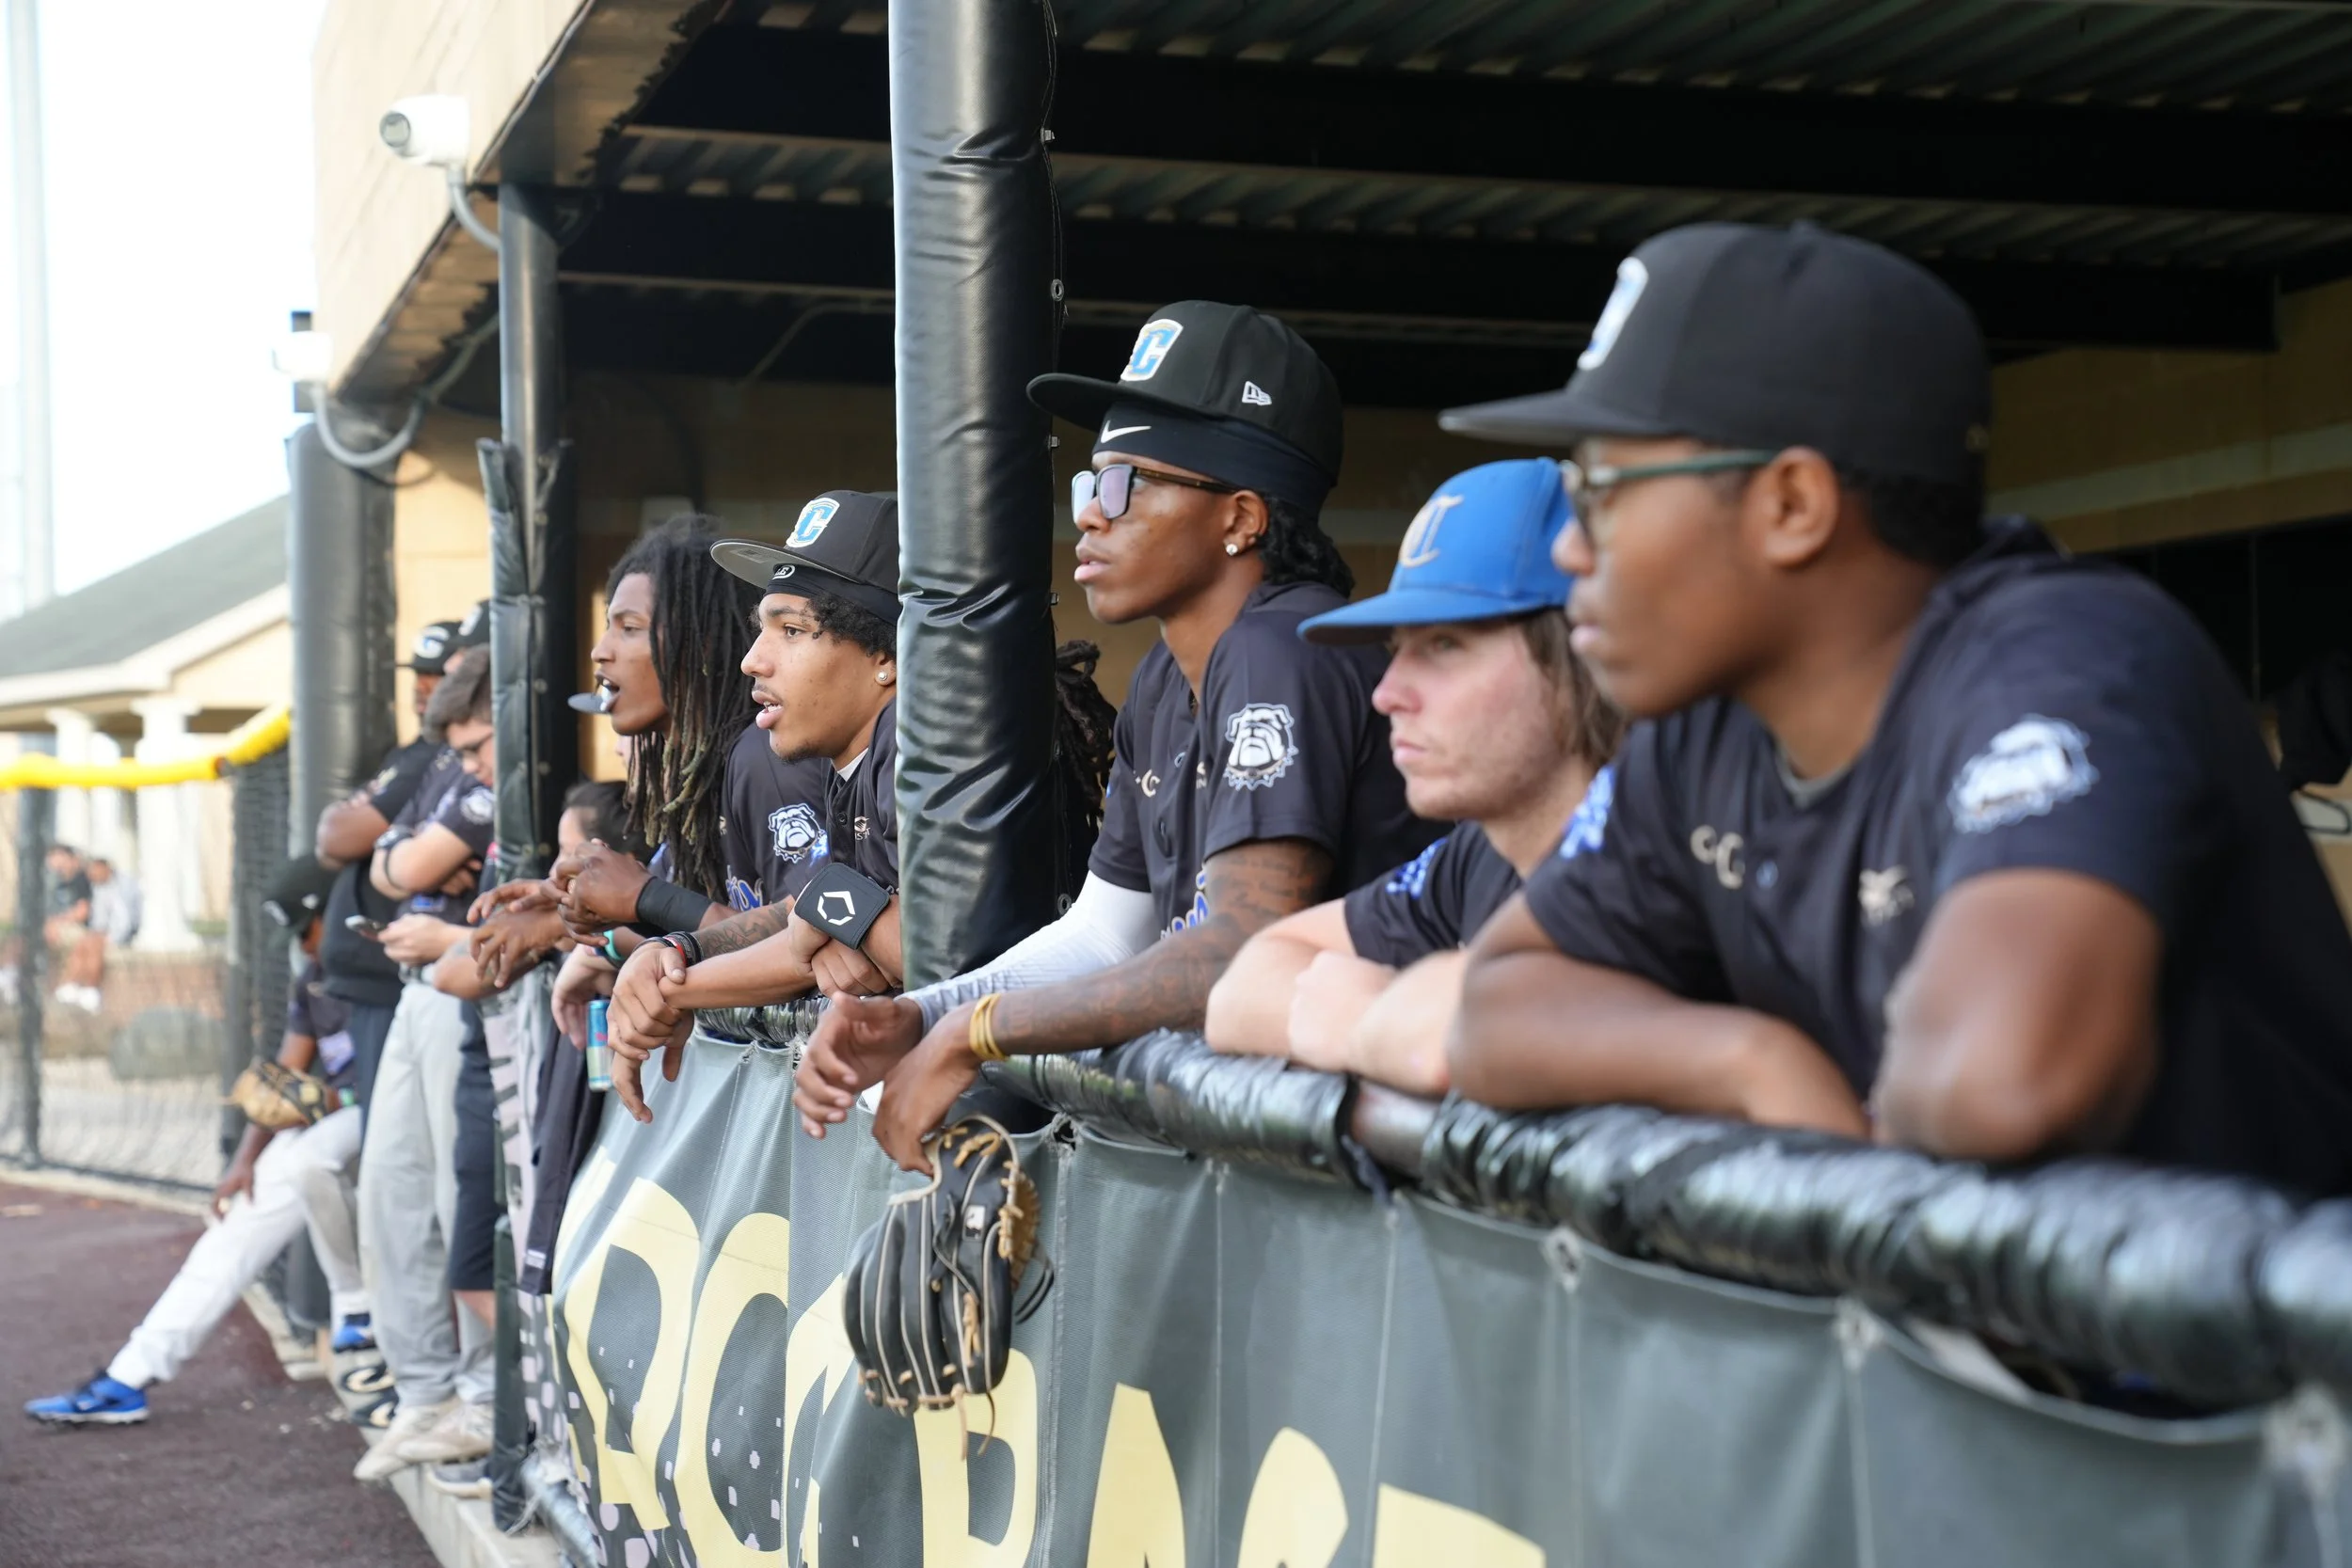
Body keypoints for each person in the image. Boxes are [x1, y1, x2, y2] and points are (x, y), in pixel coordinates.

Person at [1439, 220, 2352, 1193]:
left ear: (1793, 503)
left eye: (1601, 491)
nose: (1572, 551)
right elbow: (1494, 1011)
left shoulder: (2063, 657)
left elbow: (2004, 1083)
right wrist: (1749, 1062)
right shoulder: (1701, 732)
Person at [795, 302, 1440, 1170]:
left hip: (1379, 1167)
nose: (1091, 516)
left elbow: (1237, 949)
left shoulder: (1280, 645)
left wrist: (972, 1033)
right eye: (1086, 484)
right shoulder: (1167, 677)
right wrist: (924, 1013)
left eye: (1124, 483)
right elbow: (1108, 933)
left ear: (1241, 517)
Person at [1204, 459, 1621, 1093]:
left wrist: (1378, 1014)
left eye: (1446, 646)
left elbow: (1484, 1029)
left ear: (1578, 660)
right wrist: (1384, 1022)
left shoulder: (1654, 846)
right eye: (1400, 651)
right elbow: (1239, 988)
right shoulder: (1480, 852)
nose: (1388, 693)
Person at [24, 857, 371, 1427]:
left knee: (310, 1157)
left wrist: (343, 1102)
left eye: (304, 929)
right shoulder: (314, 976)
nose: (303, 946)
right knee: (233, 1229)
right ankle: (127, 1377)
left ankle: (356, 1307)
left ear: (330, 914)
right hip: (334, 1126)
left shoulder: (383, 965)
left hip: (382, 1122)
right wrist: (243, 1162)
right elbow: (285, 1076)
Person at [600, 494, 910, 1121]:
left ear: (885, 656)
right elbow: (810, 930)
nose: (753, 659)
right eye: (762, 626)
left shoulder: (909, 746)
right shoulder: (852, 759)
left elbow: (935, 951)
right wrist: (675, 960)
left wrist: (833, 912)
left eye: (792, 631)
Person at [351, 653, 501, 1482]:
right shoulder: (448, 757)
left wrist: (405, 856)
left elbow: (401, 867)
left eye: (478, 742)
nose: (469, 759)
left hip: (468, 989)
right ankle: (426, 1397)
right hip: (418, 987)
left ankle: (482, 1398)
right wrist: (404, 852)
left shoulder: (512, 753)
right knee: (392, 1187)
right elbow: (391, 860)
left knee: (460, 1195)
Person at [542, 515, 762, 1058]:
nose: (599, 651)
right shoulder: (706, 778)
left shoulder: (762, 759)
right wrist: (567, 917)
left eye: (629, 628)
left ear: (704, 644)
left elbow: (802, 941)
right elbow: (708, 928)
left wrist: (644, 898)